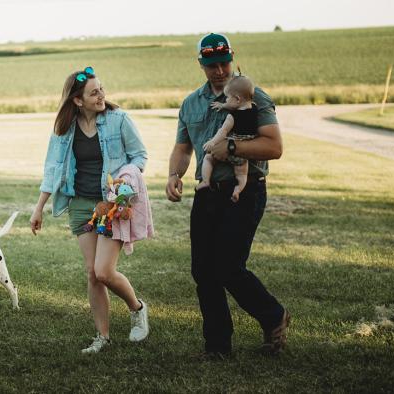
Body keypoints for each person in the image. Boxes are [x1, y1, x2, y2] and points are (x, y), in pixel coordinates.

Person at [165, 33, 290, 358]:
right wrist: (173, 175)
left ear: (232, 60)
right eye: (211, 65)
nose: (219, 70)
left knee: (229, 266)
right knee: (203, 270)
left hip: (244, 190)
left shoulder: (253, 96)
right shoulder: (191, 103)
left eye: (224, 63)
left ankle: (273, 315)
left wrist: (231, 146)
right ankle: (218, 345)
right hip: (207, 193)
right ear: (201, 65)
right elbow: (182, 147)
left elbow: (274, 146)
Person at [30, 66, 151, 354]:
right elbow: (53, 168)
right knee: (91, 273)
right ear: (77, 100)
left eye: (101, 90)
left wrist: (126, 177)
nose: (101, 96)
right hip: (81, 206)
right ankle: (102, 337)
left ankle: (137, 308)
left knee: (104, 271)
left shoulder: (118, 120)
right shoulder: (64, 128)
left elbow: (140, 155)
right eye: (93, 92)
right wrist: (39, 209)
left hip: (110, 204)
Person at [198, 75, 258, 202]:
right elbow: (239, 105)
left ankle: (205, 181)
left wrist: (212, 142)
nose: (225, 100)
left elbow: (223, 131)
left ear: (237, 99)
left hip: (231, 149)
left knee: (208, 158)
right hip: (244, 154)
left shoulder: (233, 116)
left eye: (227, 98)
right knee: (242, 175)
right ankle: (238, 190)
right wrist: (224, 105)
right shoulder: (255, 108)